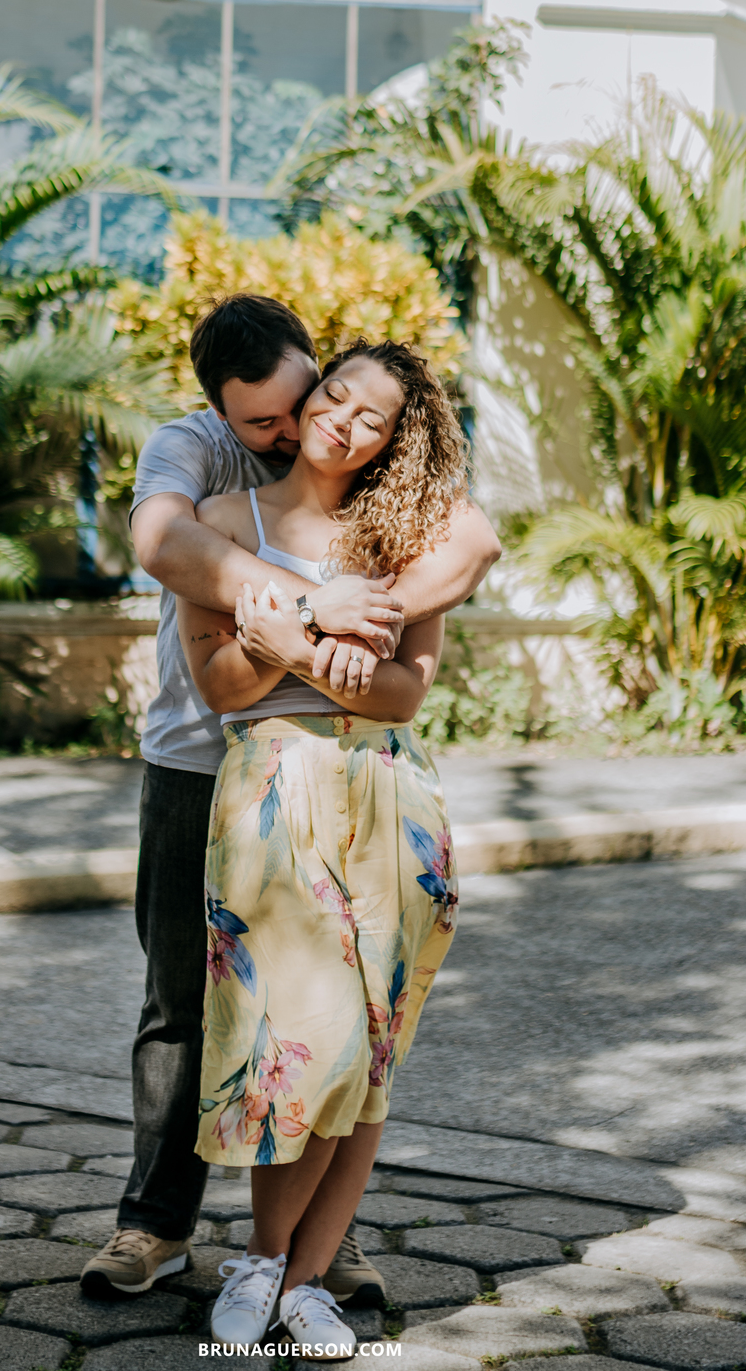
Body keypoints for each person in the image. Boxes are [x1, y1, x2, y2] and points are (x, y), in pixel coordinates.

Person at [80, 297, 499, 1304]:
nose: (293, 428)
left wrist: (373, 610)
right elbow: (163, 550)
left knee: (351, 1028)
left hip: (368, 780)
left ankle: (319, 1249)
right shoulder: (196, 458)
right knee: (188, 1005)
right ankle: (157, 1226)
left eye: (305, 402)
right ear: (221, 413)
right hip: (207, 758)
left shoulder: (377, 485)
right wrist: (309, 616)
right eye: (260, 423)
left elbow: (471, 547)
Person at [181, 339, 465, 1357]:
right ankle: (262, 1261)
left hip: (388, 790)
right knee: (297, 1044)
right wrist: (314, 639)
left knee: (368, 1055)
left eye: (375, 418)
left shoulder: (400, 539)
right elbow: (217, 686)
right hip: (272, 783)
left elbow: (405, 690)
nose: (347, 420)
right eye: (337, 394)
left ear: (394, 440)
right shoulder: (224, 528)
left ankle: (304, 1285)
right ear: (308, 399)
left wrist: (282, 644)